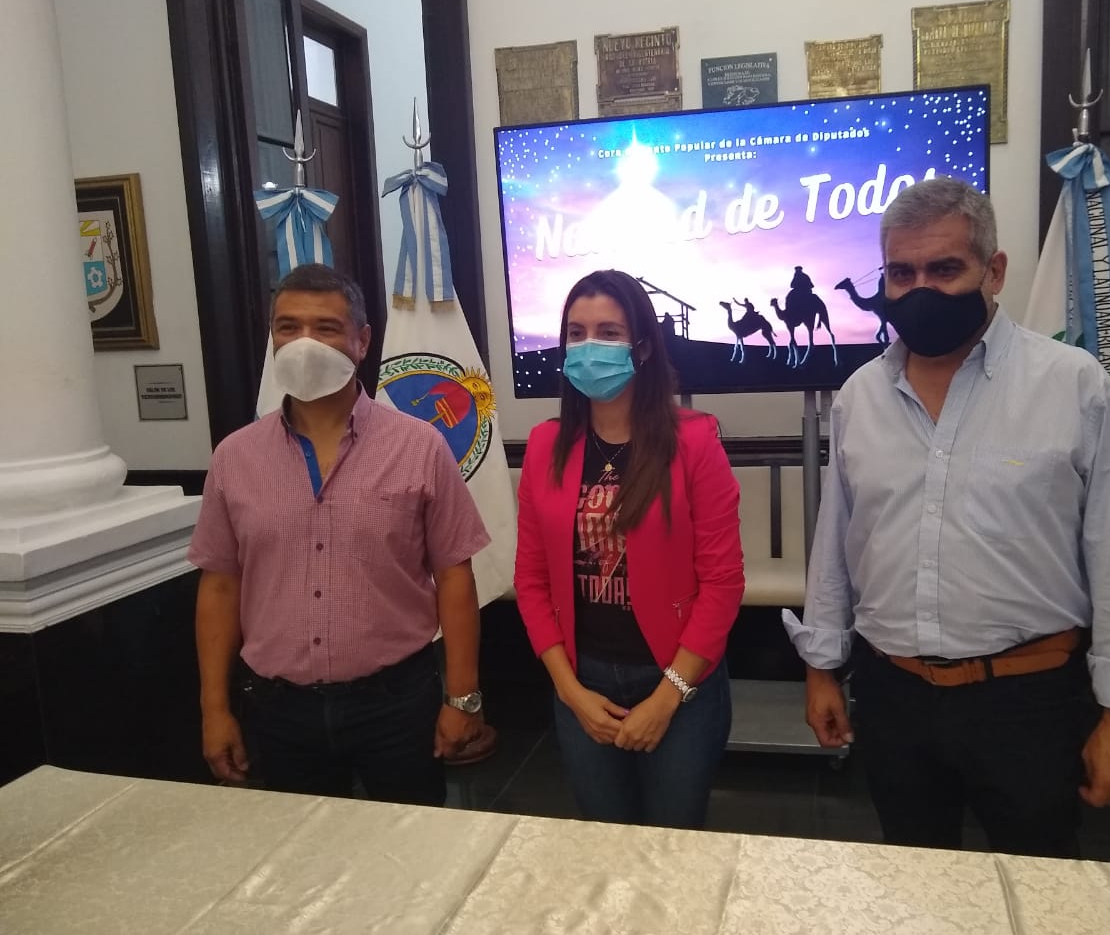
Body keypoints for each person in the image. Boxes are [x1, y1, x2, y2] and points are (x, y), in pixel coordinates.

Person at [785, 178, 1110, 857]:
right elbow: (839, 541)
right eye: (902, 273)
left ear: (994, 271)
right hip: (894, 697)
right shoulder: (860, 395)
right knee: (913, 883)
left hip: (1027, 702)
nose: (920, 290)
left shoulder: (1074, 385)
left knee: (1037, 890)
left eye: (945, 269)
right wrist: (821, 667)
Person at [189, 264, 491, 805]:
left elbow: (454, 576)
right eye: (288, 327)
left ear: (362, 341)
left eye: (326, 328)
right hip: (278, 710)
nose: (304, 343)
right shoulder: (234, 457)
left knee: (412, 844)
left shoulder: (419, 447)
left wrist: (463, 697)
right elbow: (219, 585)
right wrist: (215, 709)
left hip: (396, 703)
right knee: (302, 852)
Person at [515, 268, 745, 828]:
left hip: (679, 684)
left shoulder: (694, 440)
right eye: (576, 333)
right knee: (605, 843)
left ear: (641, 347)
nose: (589, 347)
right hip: (583, 683)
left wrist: (667, 698)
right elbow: (532, 580)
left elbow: (723, 583)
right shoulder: (546, 444)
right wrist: (569, 691)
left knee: (672, 846)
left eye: (609, 333)